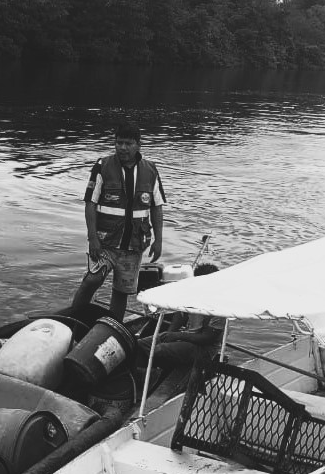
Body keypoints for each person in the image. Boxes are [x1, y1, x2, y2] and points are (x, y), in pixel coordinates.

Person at [72, 121, 165, 320]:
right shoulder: (102, 166)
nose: (122, 148)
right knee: (92, 280)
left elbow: (157, 206)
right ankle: (73, 318)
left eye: (128, 143)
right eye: (119, 143)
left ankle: (112, 328)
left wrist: (159, 240)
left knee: (121, 290)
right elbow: (90, 203)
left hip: (134, 244)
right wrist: (92, 238)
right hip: (105, 242)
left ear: (138, 145)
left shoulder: (150, 170)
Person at [136, 263, 225, 369]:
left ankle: (155, 371)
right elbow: (181, 314)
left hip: (203, 349)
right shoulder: (193, 294)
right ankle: (141, 372)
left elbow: (207, 338)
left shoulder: (220, 307)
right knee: (139, 344)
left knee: (160, 349)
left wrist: (177, 336)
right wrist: (170, 333)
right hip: (186, 338)